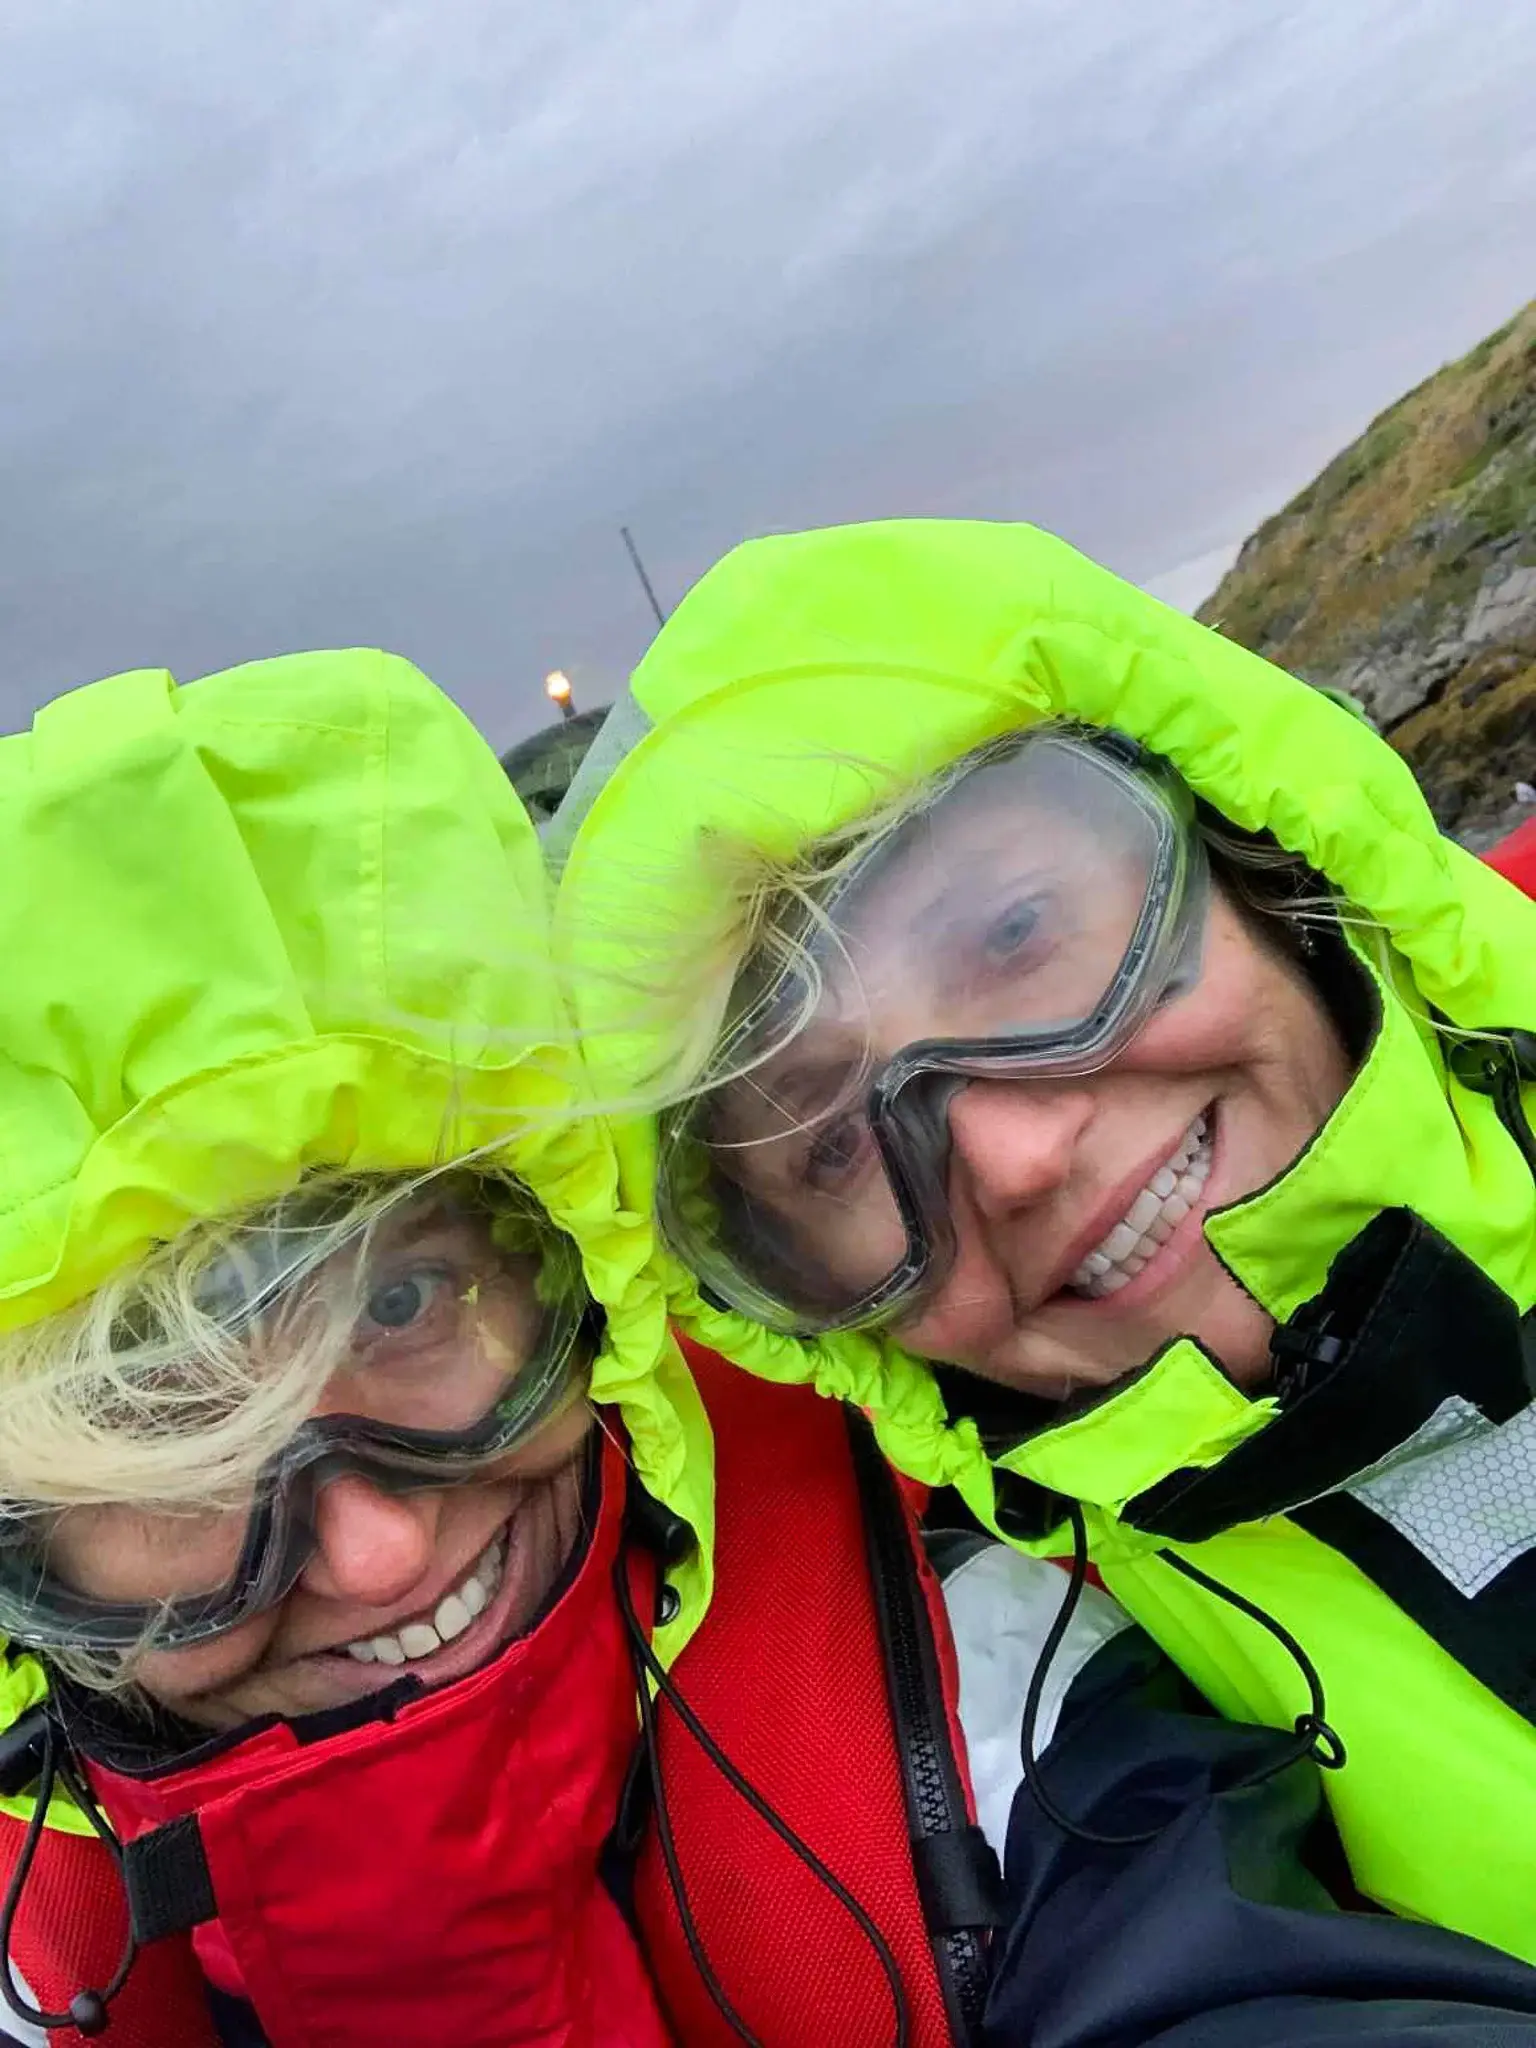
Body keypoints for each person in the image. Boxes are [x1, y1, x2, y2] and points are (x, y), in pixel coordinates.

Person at [2, 655, 1534, 2048]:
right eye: (157, 1433)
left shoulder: (959, 1662)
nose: (383, 1546)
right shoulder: (39, 1949)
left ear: (577, 1281)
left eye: (402, 1309)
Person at [551, 516, 1536, 1970]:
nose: (1010, 1156)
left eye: (1018, 935)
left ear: (1251, 838)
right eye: (832, 1146)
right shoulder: (1061, 1703)